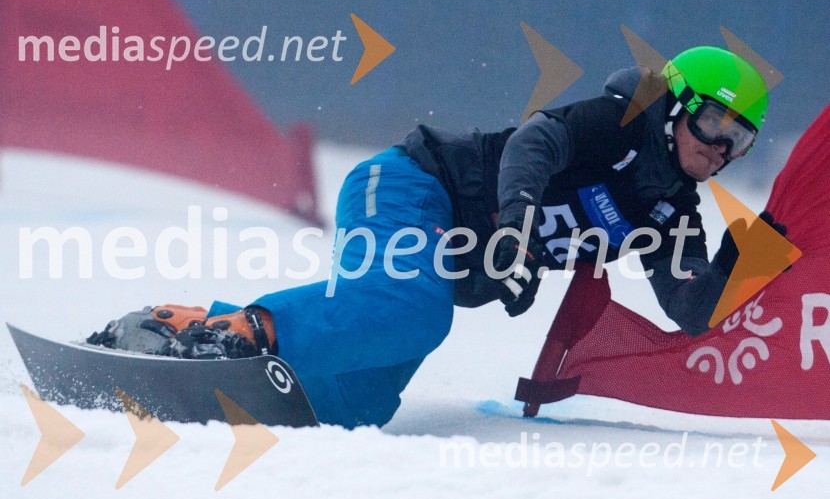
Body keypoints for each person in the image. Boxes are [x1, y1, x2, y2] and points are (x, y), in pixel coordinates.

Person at [89, 46, 784, 428]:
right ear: (675, 107)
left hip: (441, 258)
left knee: (356, 402)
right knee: (412, 313)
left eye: (741, 138)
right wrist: (514, 232)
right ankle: (239, 330)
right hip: (408, 184)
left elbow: (693, 309)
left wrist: (754, 247)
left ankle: (187, 336)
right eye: (715, 124)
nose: (724, 147)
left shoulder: (672, 215)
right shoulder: (621, 120)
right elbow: (534, 144)